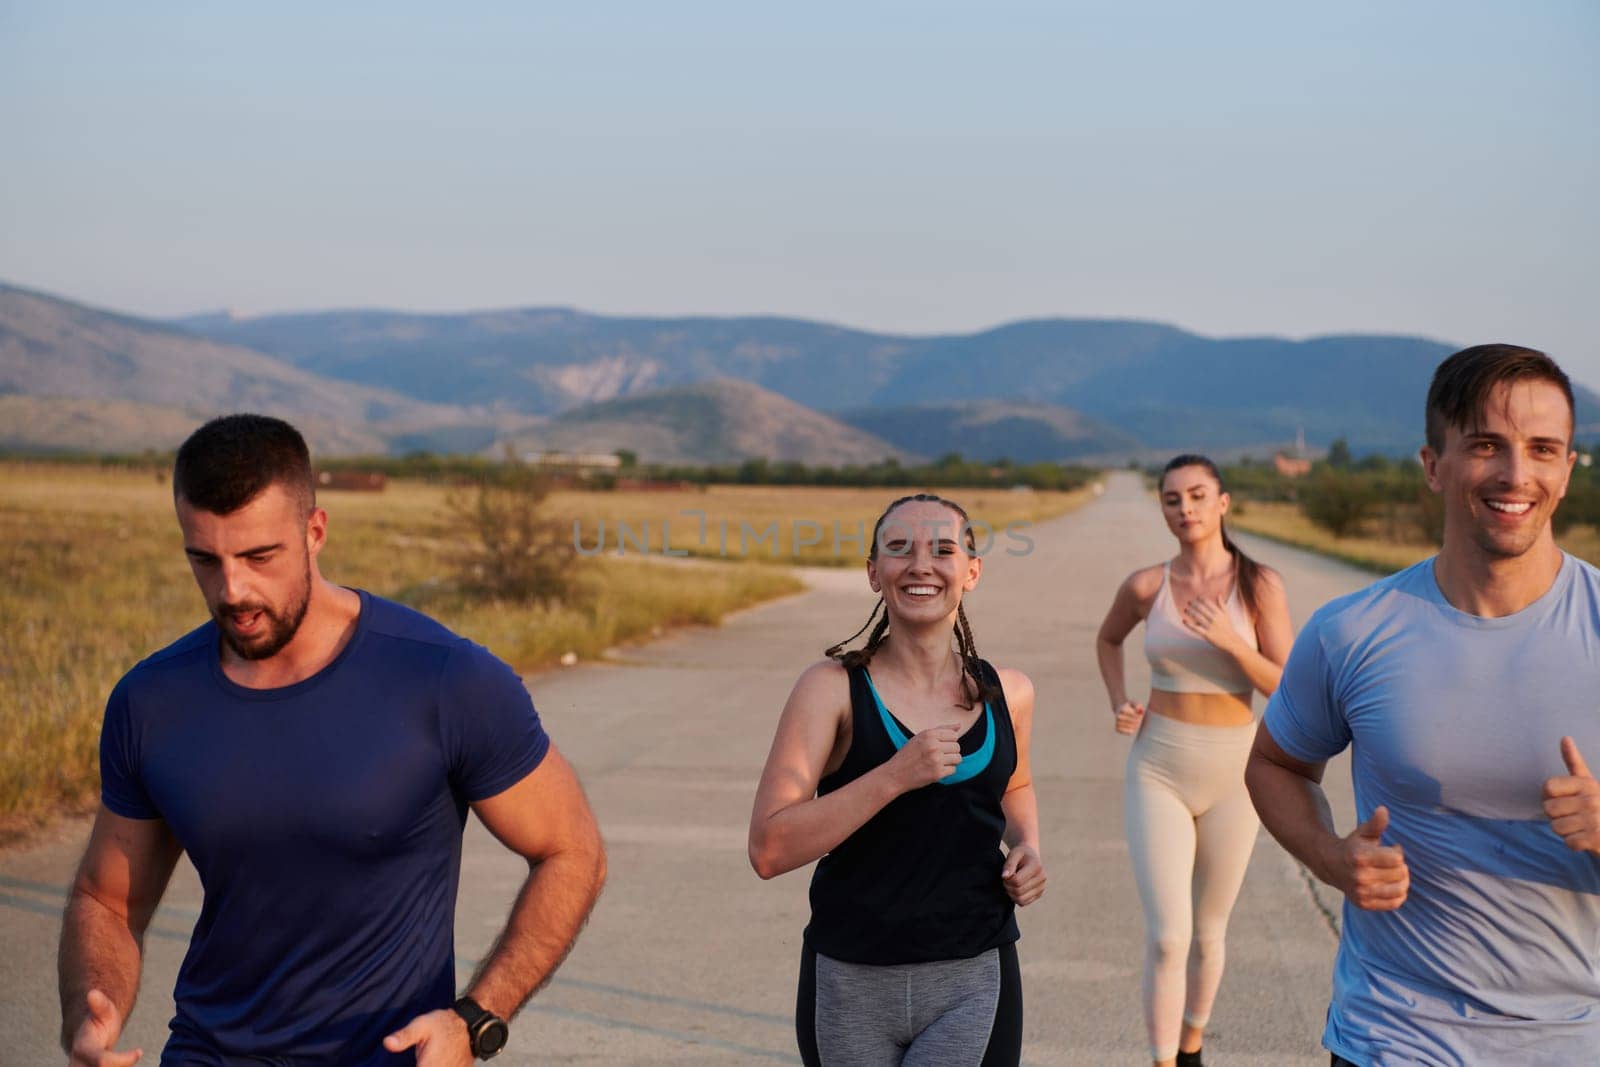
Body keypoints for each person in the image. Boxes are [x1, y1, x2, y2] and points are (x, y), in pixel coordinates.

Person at [58, 414, 607, 1066]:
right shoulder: (150, 700)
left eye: (260, 556)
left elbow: (572, 851)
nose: (233, 590)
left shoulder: (442, 678)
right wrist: (90, 1008)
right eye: (205, 559)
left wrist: (475, 1018)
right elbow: (107, 896)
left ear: (315, 532)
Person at [1245, 343, 1600, 1065]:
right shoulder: (1352, 629)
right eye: (1486, 446)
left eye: (1542, 449)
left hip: (1575, 1036)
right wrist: (1331, 857)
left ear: (1568, 468)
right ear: (1433, 464)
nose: (1515, 473)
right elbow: (1274, 764)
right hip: (1394, 1034)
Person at [748, 493, 1046, 1066]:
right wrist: (893, 776)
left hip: (972, 974)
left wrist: (1028, 846)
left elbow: (1015, 786)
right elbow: (769, 848)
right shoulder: (830, 689)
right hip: (849, 979)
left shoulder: (1009, 693)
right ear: (873, 572)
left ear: (972, 571)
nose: (920, 565)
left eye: (942, 549)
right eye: (899, 549)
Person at [1095, 455, 1293, 1067]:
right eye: (1173, 499)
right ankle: (1159, 1060)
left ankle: (1190, 1047)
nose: (1186, 510)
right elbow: (1108, 639)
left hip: (1237, 773)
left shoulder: (1259, 585)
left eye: (1198, 496)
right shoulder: (1146, 586)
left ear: (1223, 503)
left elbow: (1285, 687)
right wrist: (1120, 701)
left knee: (1209, 933)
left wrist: (1231, 642)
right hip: (1159, 766)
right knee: (1168, 936)